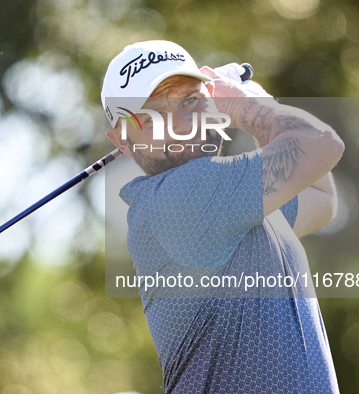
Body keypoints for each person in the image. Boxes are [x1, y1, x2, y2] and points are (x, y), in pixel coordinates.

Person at [101, 40, 344, 393]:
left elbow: (321, 199)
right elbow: (322, 144)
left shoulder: (237, 203)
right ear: (122, 140)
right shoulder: (178, 199)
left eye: (190, 100)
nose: (182, 125)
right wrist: (251, 108)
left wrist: (263, 109)